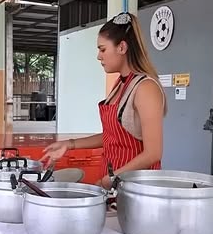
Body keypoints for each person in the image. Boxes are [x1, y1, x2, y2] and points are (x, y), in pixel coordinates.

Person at [41, 11, 166, 188]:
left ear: (122, 47)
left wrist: (112, 178)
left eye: (103, 49)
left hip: (137, 189)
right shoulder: (120, 84)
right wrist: (69, 145)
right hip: (115, 184)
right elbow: (111, 136)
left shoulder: (145, 88)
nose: (99, 56)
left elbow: (153, 153)